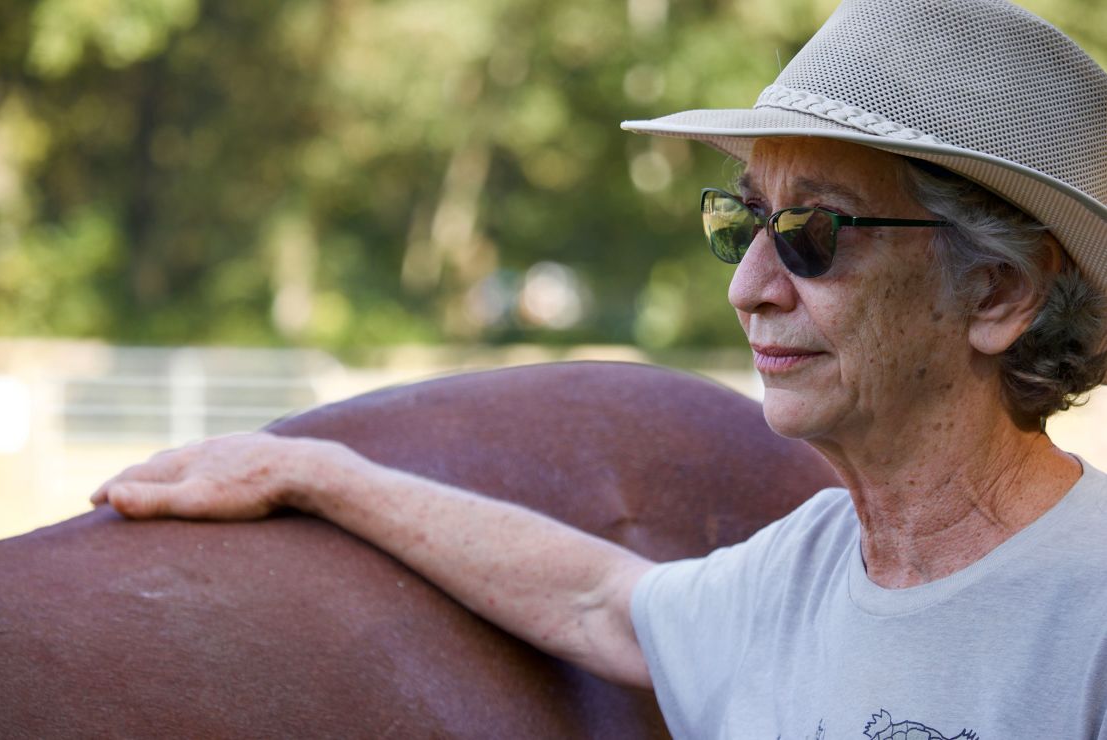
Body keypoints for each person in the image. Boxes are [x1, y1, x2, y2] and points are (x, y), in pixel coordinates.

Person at [92, 0, 1107, 735]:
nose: (749, 283)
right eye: (742, 217)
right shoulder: (803, 567)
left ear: (998, 295)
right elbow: (601, 600)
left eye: (815, 230)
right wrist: (315, 471)